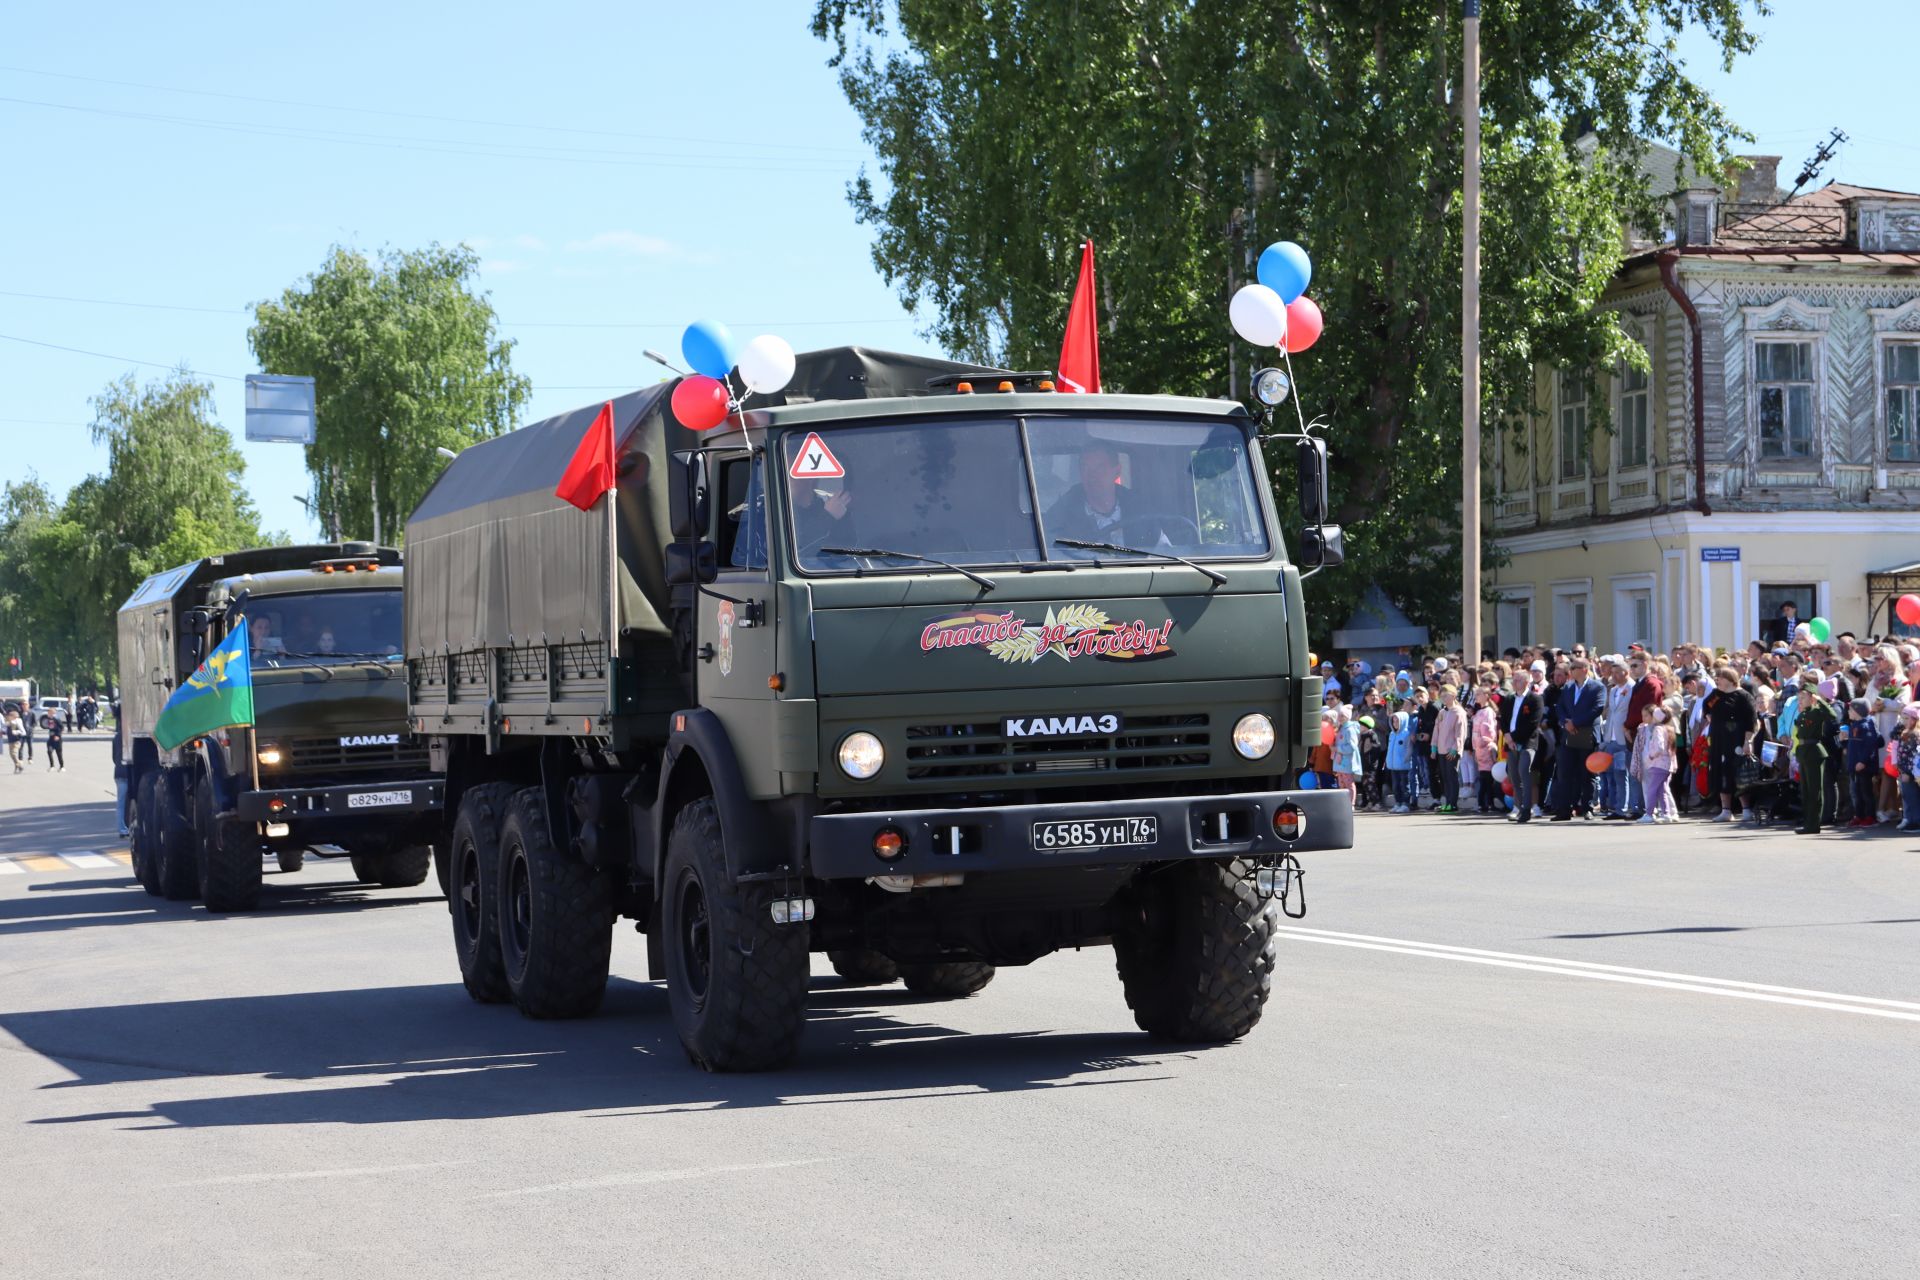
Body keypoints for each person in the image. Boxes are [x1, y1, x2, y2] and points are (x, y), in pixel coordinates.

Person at [1044, 443, 1131, 542]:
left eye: (1100, 468)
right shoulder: (1061, 514)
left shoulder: (1139, 507)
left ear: (1117, 471)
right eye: (1085, 468)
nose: (1092, 476)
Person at [1551, 656, 1603, 821]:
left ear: (1584, 670)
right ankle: (1564, 809)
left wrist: (1576, 722)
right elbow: (1560, 707)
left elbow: (1597, 708)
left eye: (1574, 668)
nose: (1571, 671)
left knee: (1587, 773)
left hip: (1586, 734)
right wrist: (1565, 723)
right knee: (1565, 772)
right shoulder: (1568, 687)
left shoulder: (1597, 687)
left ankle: (1587, 808)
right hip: (1569, 734)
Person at [1702, 666, 1757, 822]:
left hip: (1737, 740)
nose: (1717, 680)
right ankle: (1726, 810)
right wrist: (1708, 716)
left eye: (1720, 677)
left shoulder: (1743, 696)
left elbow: (1751, 721)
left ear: (1730, 679)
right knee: (1721, 773)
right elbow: (1706, 706)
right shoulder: (1716, 695)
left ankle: (1746, 809)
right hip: (1719, 740)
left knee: (1739, 774)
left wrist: (1748, 741)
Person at [1793, 679, 1840, 834]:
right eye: (1799, 698)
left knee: (1815, 790)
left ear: (1812, 697)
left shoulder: (1817, 711)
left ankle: (1813, 824)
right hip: (1803, 751)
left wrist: (1820, 701)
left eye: (1803, 697)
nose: (1800, 701)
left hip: (1814, 751)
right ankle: (1808, 822)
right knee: (1805, 790)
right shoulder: (1803, 713)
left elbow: (1832, 715)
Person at [1503, 666, 1545, 823]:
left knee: (1524, 772)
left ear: (1527, 682)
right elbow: (1504, 720)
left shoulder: (1535, 699)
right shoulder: (1509, 699)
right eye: (1513, 680)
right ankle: (1519, 807)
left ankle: (1527, 808)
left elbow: (1532, 723)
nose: (1514, 683)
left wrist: (1513, 737)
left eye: (1518, 680)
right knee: (1514, 776)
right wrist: (1507, 735)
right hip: (1511, 742)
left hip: (1527, 742)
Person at [1843, 699, 1884, 828]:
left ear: (1857, 712)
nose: (1848, 711)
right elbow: (1853, 744)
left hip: (1863, 767)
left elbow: (1870, 745)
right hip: (1854, 766)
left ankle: (1870, 816)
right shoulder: (1854, 725)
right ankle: (1859, 816)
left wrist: (1863, 761)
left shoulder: (1866, 726)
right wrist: (1844, 742)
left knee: (1866, 793)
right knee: (1856, 793)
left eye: (1850, 709)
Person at [1637, 705, 1680, 824]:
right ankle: (1666, 814)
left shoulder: (1658, 729)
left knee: (1652, 789)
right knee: (1662, 790)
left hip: (1658, 764)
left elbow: (1660, 747)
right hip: (1667, 765)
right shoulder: (1669, 729)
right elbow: (1672, 750)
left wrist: (1651, 755)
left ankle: (1649, 814)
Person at [1431, 684, 1468, 813]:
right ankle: (1447, 802)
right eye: (1441, 696)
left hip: (1451, 750)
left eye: (1446, 695)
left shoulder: (1459, 712)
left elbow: (1461, 732)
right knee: (1444, 777)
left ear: (1453, 695)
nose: (1443, 698)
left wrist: (1455, 748)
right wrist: (1434, 747)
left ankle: (1453, 803)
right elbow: (1436, 730)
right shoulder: (1442, 712)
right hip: (1441, 749)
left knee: (1452, 776)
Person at [1894, 704, 1920, 833]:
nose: (1903, 720)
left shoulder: (1914, 735)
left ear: (1914, 720)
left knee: (1912, 796)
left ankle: (1916, 822)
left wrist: (1907, 772)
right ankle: (1910, 819)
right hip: (1903, 771)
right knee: (1907, 796)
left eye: (1906, 718)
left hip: (1909, 773)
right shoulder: (1904, 733)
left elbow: (1914, 756)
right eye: (1902, 717)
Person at [1385, 711, 1414, 813]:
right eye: (1393, 721)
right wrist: (1388, 761)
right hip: (1393, 766)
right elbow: (1389, 749)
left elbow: (1409, 748)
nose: (1395, 723)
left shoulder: (1406, 734)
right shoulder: (1392, 734)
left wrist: (1406, 759)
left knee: (1404, 785)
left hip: (1404, 765)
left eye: (1398, 721)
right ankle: (1398, 803)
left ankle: (1405, 803)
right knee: (1396, 786)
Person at [1332, 706, 1361, 804]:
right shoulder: (1341, 728)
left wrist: (1338, 749)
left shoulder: (1349, 729)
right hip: (1340, 762)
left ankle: (1351, 803)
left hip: (1347, 761)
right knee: (1341, 784)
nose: (1340, 717)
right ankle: (1344, 804)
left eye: (1342, 715)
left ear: (1347, 717)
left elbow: (1352, 746)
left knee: (1348, 783)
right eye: (1339, 715)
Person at [4, 707, 23, 773]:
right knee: (11, 755)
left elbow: (22, 732)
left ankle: (20, 765)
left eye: (10, 716)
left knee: (14, 753)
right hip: (10, 741)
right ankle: (17, 766)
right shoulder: (9, 724)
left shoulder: (18, 723)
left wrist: (16, 733)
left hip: (16, 741)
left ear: (14, 717)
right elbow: (7, 731)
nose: (8, 717)